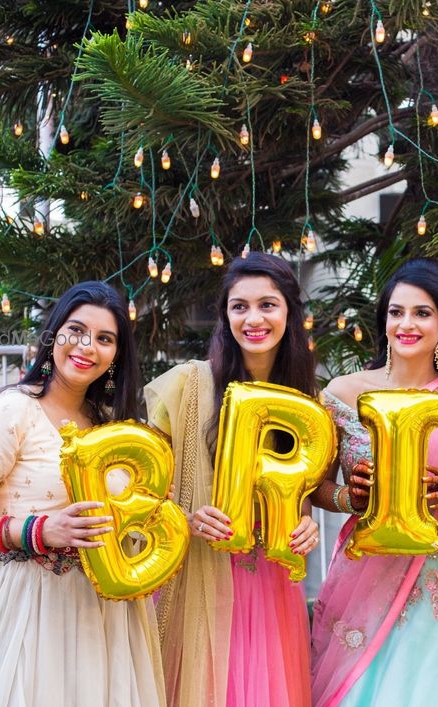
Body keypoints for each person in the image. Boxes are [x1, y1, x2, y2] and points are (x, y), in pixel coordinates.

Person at [0, 281, 165, 706]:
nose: (87, 346)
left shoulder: (109, 423)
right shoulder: (12, 411)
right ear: (54, 333)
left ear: (116, 355)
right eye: (76, 330)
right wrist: (39, 530)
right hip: (32, 605)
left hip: (107, 615)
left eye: (104, 338)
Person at [309, 258, 438, 707]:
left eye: (422, 312)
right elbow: (315, 486)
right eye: (396, 312)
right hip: (367, 577)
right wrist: (347, 495)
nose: (406, 324)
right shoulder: (344, 393)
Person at [144, 252, 321, 707]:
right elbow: (145, 489)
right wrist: (185, 516)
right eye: (239, 306)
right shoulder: (188, 385)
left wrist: (306, 526)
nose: (253, 318)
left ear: (289, 313)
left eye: (268, 304)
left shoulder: (305, 396)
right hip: (201, 575)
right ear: (225, 316)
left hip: (271, 581)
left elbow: (298, 494)